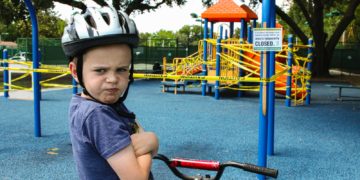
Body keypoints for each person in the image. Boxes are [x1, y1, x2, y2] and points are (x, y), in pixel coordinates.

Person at [61, 1, 159, 179]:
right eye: (100, 70)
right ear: (75, 71)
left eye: (121, 69)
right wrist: (151, 143)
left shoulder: (95, 103)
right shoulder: (98, 115)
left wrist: (140, 144)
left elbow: (136, 130)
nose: (113, 79)